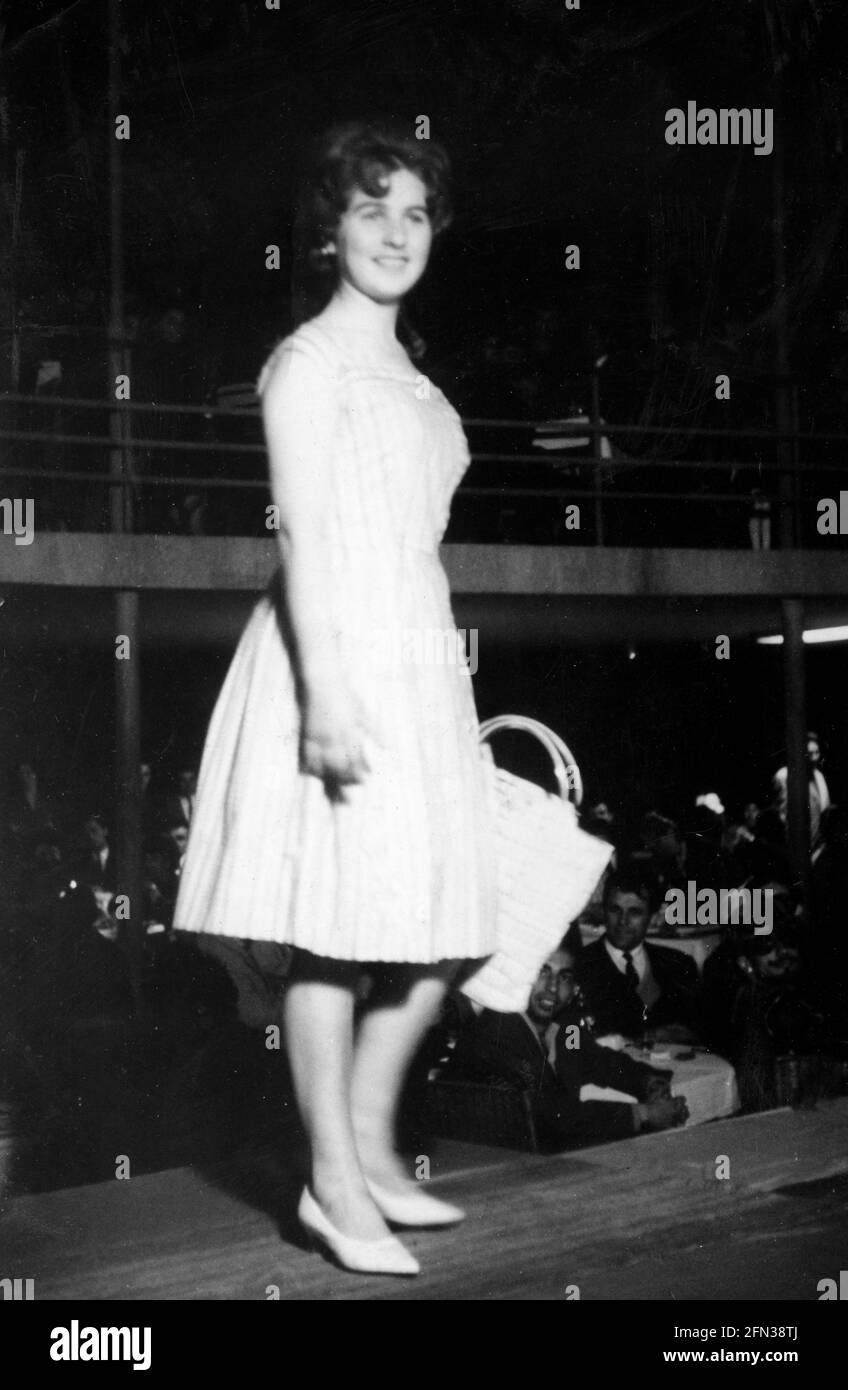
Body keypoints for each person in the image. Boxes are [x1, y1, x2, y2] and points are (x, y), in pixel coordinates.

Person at [173, 120, 499, 1277]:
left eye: (414, 212)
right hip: (334, 655)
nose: (396, 232)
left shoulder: (415, 379)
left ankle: (363, 1135)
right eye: (373, 209)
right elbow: (308, 535)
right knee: (332, 938)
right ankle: (328, 1181)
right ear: (329, 229)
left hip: (413, 663)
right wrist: (323, 692)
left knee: (454, 922)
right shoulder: (306, 365)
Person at [450, 948, 688, 1149]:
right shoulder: (500, 1031)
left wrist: (648, 1081)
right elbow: (555, 1117)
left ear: (574, 990)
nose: (552, 988)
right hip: (497, 1162)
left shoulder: (561, 1028)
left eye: (563, 977)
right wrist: (644, 1114)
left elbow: (599, 1061)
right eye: (542, 971)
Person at [577, 871, 701, 1043]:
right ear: (603, 911)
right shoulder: (580, 965)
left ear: (651, 916)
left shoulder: (678, 965)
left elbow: (698, 1031)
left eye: (634, 912)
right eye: (615, 910)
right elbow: (576, 1038)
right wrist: (646, 1036)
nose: (623, 921)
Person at [771, 731, 831, 853]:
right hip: (793, 848)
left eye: (817, 752)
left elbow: (824, 811)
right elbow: (780, 815)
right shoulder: (784, 776)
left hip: (817, 848)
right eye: (810, 753)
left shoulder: (819, 776)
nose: (815, 757)